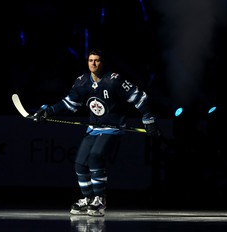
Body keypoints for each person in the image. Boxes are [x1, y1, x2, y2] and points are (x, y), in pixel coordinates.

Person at [33, 49, 160, 217]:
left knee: (95, 157)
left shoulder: (114, 80)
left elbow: (139, 97)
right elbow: (69, 103)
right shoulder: (82, 82)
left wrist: (148, 118)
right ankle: (87, 199)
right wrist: (48, 111)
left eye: (97, 60)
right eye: (90, 60)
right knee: (80, 163)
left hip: (112, 128)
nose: (93, 63)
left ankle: (99, 200)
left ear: (103, 62)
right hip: (93, 128)